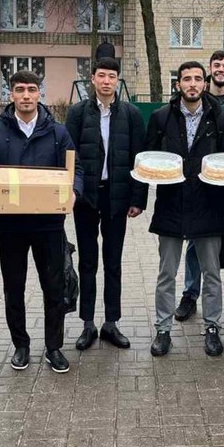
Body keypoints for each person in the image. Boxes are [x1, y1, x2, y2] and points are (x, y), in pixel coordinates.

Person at [0, 70, 84, 374]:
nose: (26, 95)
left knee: (54, 287)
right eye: (20, 89)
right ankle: (21, 345)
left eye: (31, 89)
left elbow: (76, 169)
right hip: (10, 225)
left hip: (49, 224)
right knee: (14, 287)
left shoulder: (57, 132)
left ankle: (54, 347)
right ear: (11, 94)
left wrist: (74, 192)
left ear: (39, 94)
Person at [144, 61, 224, 357]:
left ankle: (212, 328)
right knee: (166, 274)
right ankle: (163, 330)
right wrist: (138, 200)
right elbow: (147, 159)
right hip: (171, 205)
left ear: (205, 84)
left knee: (212, 273)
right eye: (186, 79)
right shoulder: (161, 117)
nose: (192, 84)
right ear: (178, 84)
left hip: (209, 206)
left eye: (197, 79)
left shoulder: (219, 118)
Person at [66, 57, 146, 351]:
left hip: (117, 197)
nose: (106, 81)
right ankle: (88, 324)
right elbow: (69, 156)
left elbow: (139, 157)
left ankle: (111, 323)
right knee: (87, 262)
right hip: (86, 198)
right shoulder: (77, 113)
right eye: (101, 75)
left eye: (112, 76)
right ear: (93, 78)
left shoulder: (131, 114)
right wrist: (72, 193)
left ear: (117, 80)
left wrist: (138, 198)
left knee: (113, 262)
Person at [175, 49, 224, 325]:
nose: (221, 69)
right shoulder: (199, 99)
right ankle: (190, 294)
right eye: (217, 65)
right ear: (210, 70)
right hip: (200, 186)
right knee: (195, 241)